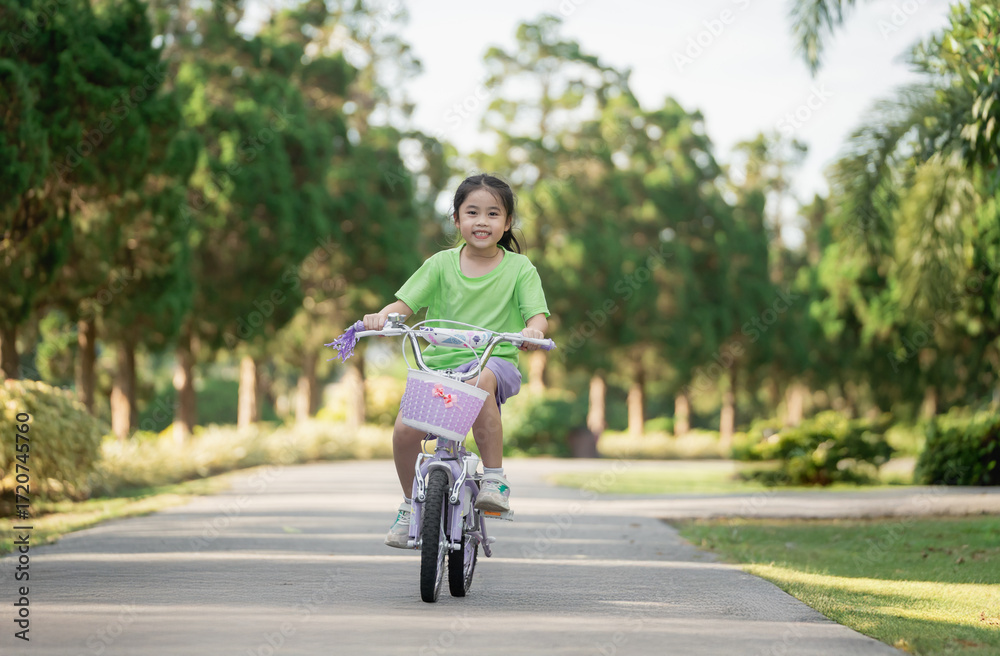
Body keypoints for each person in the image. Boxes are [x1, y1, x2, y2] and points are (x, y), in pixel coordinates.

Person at [362, 173, 550, 549]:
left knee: (481, 384)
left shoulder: (520, 269)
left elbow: (538, 317)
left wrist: (534, 332)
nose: (482, 221)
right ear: (457, 220)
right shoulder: (440, 264)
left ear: (507, 222)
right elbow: (406, 304)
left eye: (493, 213)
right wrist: (383, 316)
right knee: (404, 432)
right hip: (439, 364)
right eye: (472, 212)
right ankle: (409, 503)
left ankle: (494, 478)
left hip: (493, 360)